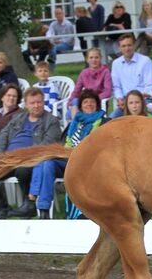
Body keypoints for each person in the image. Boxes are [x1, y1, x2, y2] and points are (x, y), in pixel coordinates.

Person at [0, 87, 62, 219]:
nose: (36, 105)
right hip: (8, 159)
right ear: (26, 104)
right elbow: (4, 134)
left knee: (23, 170)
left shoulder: (51, 121)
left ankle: (29, 205)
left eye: (39, 102)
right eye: (32, 103)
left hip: (28, 160)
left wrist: (18, 157)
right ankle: (2, 208)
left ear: (43, 102)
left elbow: (45, 147)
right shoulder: (17, 118)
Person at [29, 89, 104, 219]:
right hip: (67, 160)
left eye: (92, 102)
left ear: (97, 104)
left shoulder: (104, 122)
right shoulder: (74, 124)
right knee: (47, 163)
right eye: (85, 102)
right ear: (80, 106)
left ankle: (78, 212)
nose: (89, 104)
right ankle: (44, 209)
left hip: (89, 163)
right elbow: (63, 143)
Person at [110, 34, 152, 118]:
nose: (127, 49)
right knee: (109, 121)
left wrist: (138, 100)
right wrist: (120, 99)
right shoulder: (116, 64)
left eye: (129, 45)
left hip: (143, 100)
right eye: (123, 46)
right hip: (125, 102)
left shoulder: (145, 61)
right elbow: (116, 86)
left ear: (134, 45)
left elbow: (150, 85)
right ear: (119, 48)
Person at [69, 47, 112, 118]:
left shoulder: (105, 72)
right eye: (91, 58)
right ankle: (76, 125)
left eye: (96, 57)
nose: (94, 60)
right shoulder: (84, 73)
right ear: (87, 59)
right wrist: (70, 102)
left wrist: (94, 98)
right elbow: (77, 90)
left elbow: (108, 91)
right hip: (86, 102)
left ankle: (75, 126)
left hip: (99, 101)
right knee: (74, 103)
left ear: (100, 58)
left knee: (73, 110)